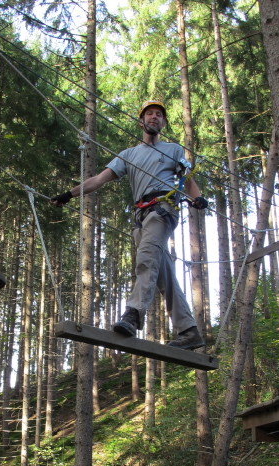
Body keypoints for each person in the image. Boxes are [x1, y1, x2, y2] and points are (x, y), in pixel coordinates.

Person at [50, 100, 208, 350]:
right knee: (163, 276)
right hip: (140, 217)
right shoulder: (128, 155)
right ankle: (188, 330)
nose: (154, 118)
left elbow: (188, 179)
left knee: (146, 258)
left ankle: (133, 315)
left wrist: (197, 197)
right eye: (150, 114)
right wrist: (70, 194)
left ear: (163, 123)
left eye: (159, 115)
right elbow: (99, 179)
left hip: (162, 209)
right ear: (141, 121)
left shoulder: (173, 149)